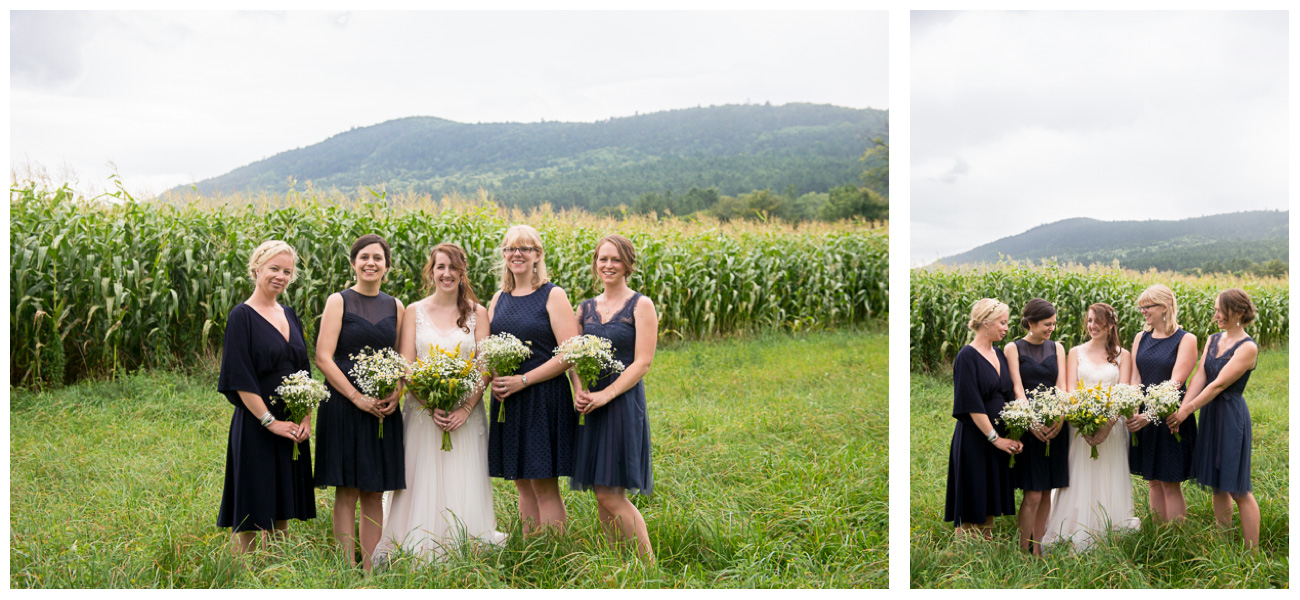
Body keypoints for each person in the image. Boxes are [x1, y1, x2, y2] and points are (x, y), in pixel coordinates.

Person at [376, 243, 506, 562]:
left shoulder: (479, 313)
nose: (446, 273)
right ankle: (414, 543)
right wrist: (430, 403)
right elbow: (406, 365)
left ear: (463, 273)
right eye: (440, 267)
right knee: (419, 477)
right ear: (431, 272)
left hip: (466, 413)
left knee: (463, 476)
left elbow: (485, 366)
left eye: (453, 267)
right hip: (423, 413)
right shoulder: (414, 311)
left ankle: (465, 541)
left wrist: (463, 408)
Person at [216, 240, 316, 553]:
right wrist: (270, 421)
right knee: (251, 505)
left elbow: (304, 370)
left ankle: (278, 568)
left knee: (283, 503)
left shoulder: (289, 314)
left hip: (292, 423)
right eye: (274, 268)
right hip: (257, 423)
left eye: (287, 271)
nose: (281, 276)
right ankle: (244, 576)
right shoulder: (241, 316)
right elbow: (239, 376)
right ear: (257, 268)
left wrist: (305, 419)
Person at [313, 234, 405, 570]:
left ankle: (370, 567)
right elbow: (323, 357)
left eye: (378, 258)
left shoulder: (396, 306)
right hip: (343, 405)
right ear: (353, 263)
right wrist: (355, 397)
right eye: (364, 257)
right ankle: (344, 567)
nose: (371, 263)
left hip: (382, 409)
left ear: (386, 266)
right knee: (347, 488)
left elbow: (401, 357)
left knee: (373, 488)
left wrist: (396, 391)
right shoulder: (339, 302)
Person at [487, 225, 581, 534]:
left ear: (537, 255)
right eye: (511, 249)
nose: (517, 254)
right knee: (522, 484)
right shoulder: (498, 298)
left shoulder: (552, 295)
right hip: (507, 400)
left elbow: (569, 353)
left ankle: (554, 556)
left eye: (525, 248)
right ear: (504, 255)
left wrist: (523, 380)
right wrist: (499, 379)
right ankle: (532, 552)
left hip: (542, 397)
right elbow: (488, 349)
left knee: (543, 484)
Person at [571, 235, 656, 562]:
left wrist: (607, 394)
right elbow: (573, 355)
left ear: (627, 264)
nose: (608, 265)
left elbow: (643, 362)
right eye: (602, 259)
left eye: (615, 260)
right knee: (600, 490)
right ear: (596, 263)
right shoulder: (586, 308)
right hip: (591, 403)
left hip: (620, 402)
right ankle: (617, 561)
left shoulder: (641, 305)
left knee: (611, 492)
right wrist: (579, 387)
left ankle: (648, 566)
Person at [1168, 288, 1260, 549]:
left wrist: (1187, 411)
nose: (1216, 314)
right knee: (1218, 485)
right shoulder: (1213, 339)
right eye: (1216, 309)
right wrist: (1183, 408)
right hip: (1210, 413)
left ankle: (1252, 553)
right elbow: (1200, 377)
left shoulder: (1248, 347)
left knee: (1238, 488)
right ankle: (1223, 541)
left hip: (1231, 416)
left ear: (1239, 312)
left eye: (1222, 310)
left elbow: (1218, 385)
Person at [1043, 303, 1139, 551]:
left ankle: (1109, 526)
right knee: (1079, 476)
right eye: (1089, 321)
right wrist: (1083, 422)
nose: (1092, 326)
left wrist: (1106, 425)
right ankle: (1074, 527)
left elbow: (1123, 392)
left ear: (1111, 325)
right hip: (1080, 426)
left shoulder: (1123, 355)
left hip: (1112, 428)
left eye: (1098, 321)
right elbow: (1071, 389)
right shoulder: (1075, 352)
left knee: (1109, 475)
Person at [944, 298, 1022, 538]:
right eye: (1002, 322)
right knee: (973, 491)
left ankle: (985, 544)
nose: (1006, 328)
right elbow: (972, 404)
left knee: (988, 494)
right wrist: (994, 438)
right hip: (976, 437)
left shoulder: (998, 353)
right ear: (985, 323)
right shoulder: (967, 356)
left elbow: (1007, 393)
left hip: (999, 436)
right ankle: (964, 550)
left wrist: (1016, 430)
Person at [1125, 284, 1198, 523]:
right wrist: (1135, 409)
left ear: (1164, 307)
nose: (1143, 311)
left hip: (1169, 415)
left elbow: (1176, 383)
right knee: (1153, 481)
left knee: (1169, 482)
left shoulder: (1185, 339)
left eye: (1147, 306)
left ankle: (1176, 537)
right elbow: (1136, 377)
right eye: (1141, 307)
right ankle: (1158, 534)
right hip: (1143, 415)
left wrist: (1151, 415)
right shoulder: (1140, 337)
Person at [1004, 298, 1067, 555]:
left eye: (1053, 323)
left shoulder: (1057, 348)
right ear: (1030, 323)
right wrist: (1030, 421)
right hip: (1030, 426)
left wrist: (1060, 417)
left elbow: (1061, 386)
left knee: (1047, 492)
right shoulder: (1013, 348)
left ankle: (1038, 549)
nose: (1051, 328)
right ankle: (1022, 550)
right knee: (1032, 495)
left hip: (1054, 426)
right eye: (1046, 324)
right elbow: (1017, 387)